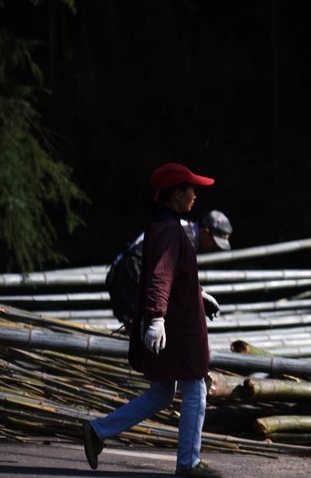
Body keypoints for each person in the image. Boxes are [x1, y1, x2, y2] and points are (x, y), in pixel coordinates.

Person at [83, 162, 223, 478]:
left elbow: (173, 275)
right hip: (179, 329)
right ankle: (188, 465)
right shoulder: (172, 230)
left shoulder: (160, 227)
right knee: (195, 390)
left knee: (162, 393)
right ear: (176, 195)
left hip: (172, 323)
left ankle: (98, 431)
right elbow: (161, 275)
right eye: (190, 189)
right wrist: (157, 318)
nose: (195, 196)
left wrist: (198, 293)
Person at [106, 209, 233, 330]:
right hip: (130, 275)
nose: (214, 248)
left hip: (131, 273)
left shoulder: (185, 231)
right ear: (206, 232)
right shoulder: (183, 235)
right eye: (214, 243)